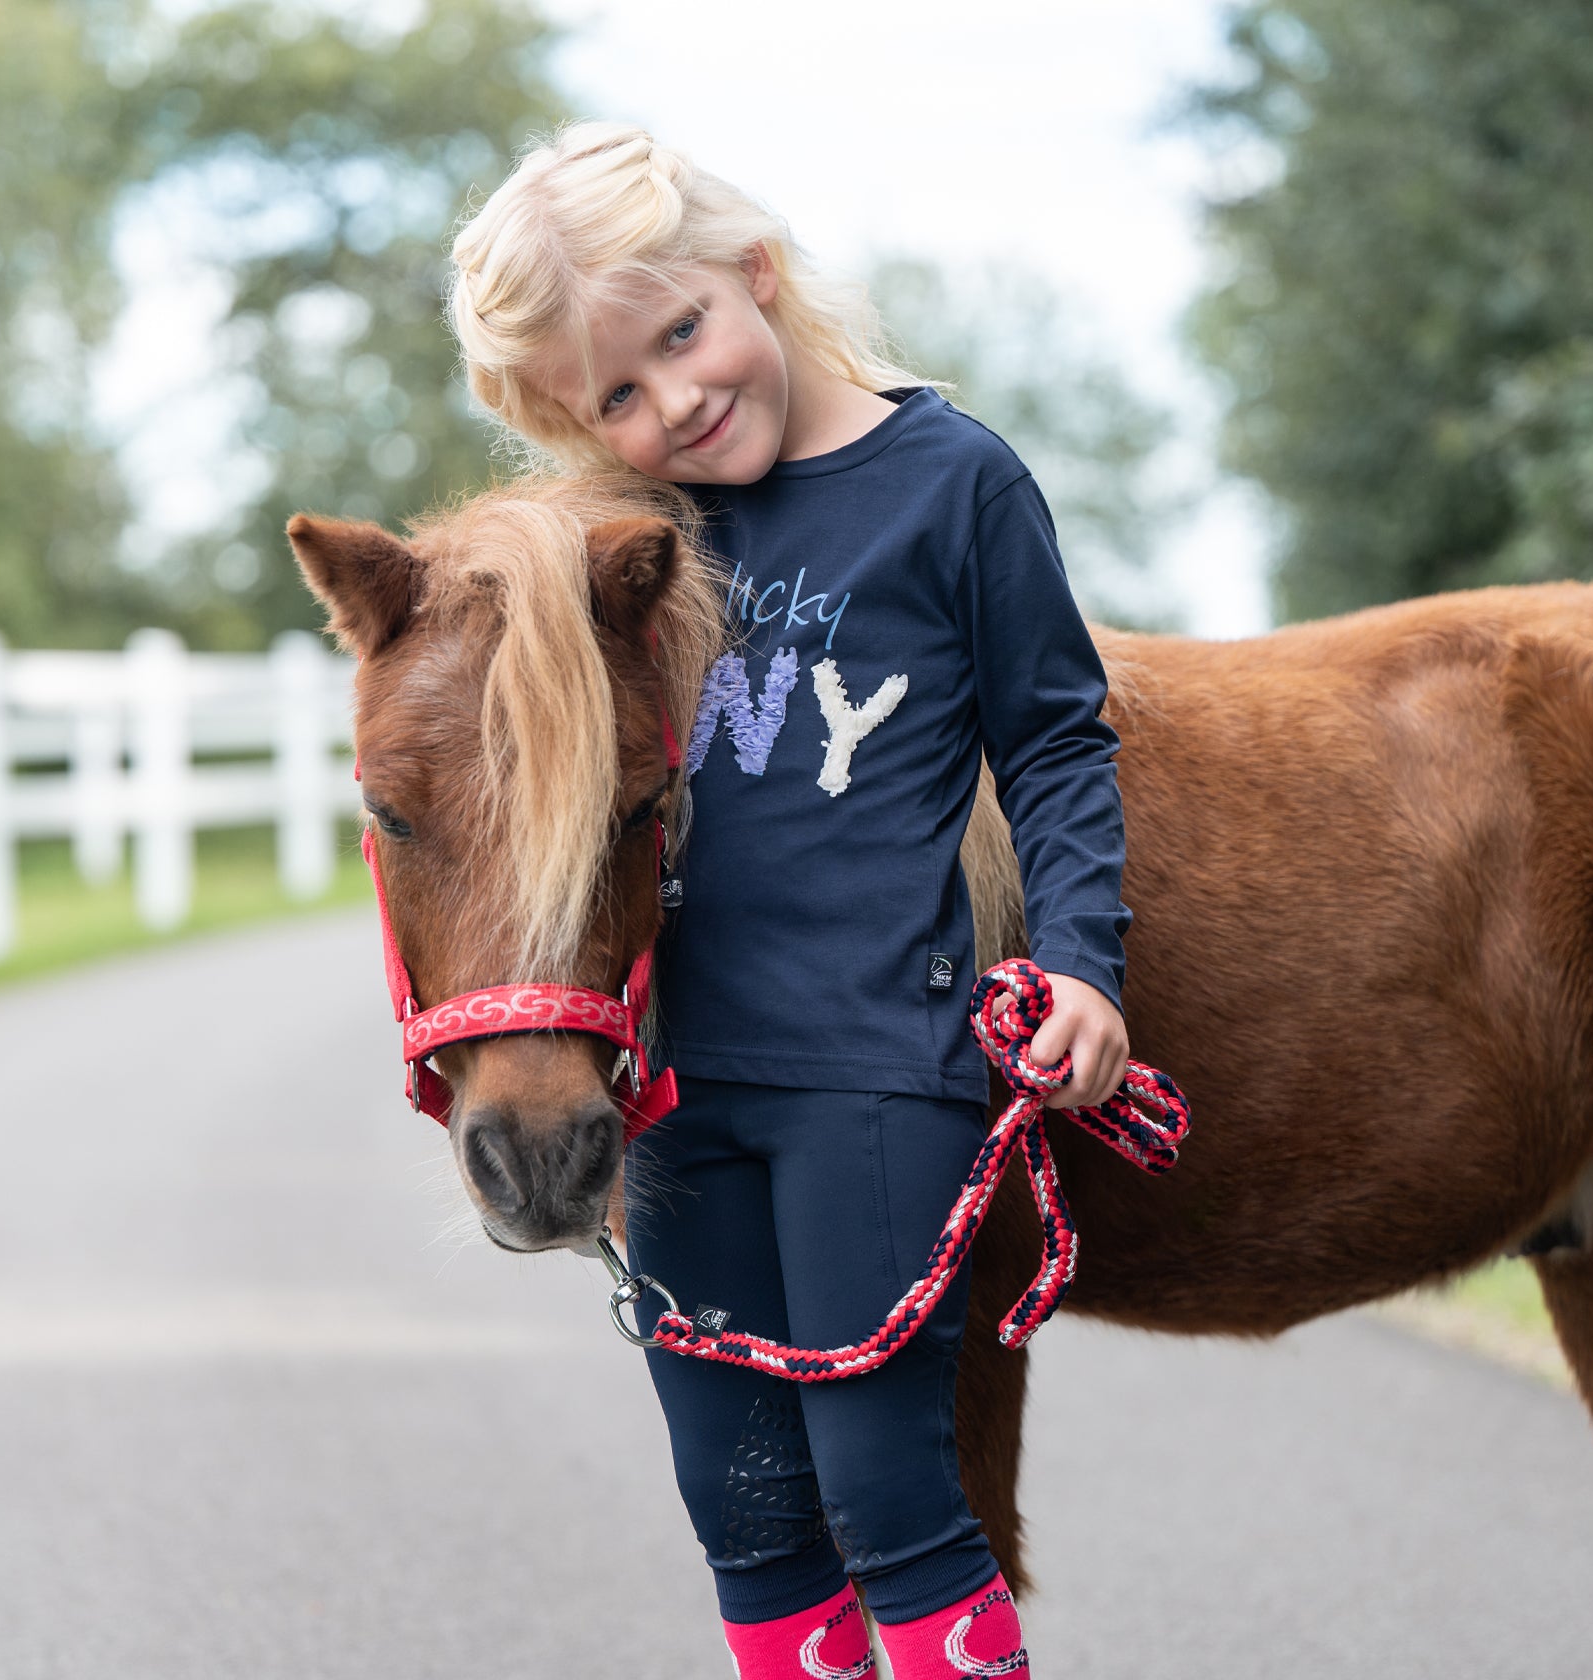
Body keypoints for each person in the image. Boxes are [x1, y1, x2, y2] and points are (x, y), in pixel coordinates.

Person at [447, 123, 1133, 1680]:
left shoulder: (952, 481)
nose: (675, 401)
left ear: (753, 274)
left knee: (893, 1491)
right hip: (677, 1099)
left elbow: (1056, 739)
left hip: (872, 1079)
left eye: (682, 336)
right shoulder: (621, 543)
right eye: (615, 395)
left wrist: (1084, 962)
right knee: (741, 1514)